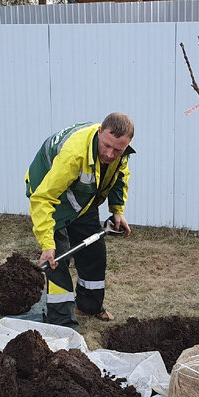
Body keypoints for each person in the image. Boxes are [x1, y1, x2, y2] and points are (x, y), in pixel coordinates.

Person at [25, 113, 135, 329]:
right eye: (106, 146)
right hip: (50, 193)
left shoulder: (120, 154)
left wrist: (117, 211)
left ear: (128, 145)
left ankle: (89, 305)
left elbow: (119, 176)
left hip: (82, 197)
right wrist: (47, 245)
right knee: (57, 259)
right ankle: (62, 323)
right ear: (99, 132)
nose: (110, 153)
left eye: (118, 150)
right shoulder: (74, 154)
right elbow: (43, 198)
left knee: (94, 250)